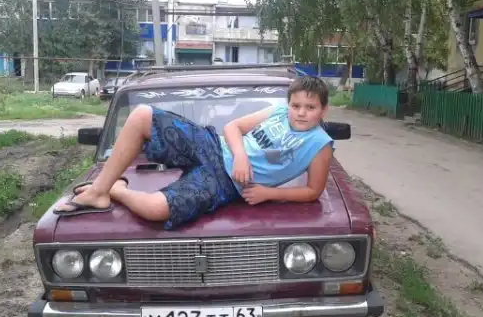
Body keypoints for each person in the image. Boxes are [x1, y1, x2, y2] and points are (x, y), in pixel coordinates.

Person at [54, 76, 334, 230]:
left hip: (226, 183)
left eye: (310, 108)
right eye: (296, 105)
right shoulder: (278, 112)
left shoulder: (320, 144)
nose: (301, 112)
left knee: (156, 210)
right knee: (141, 115)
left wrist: (268, 193)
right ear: (289, 104)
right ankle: (99, 191)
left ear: (323, 110)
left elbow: (313, 191)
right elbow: (233, 127)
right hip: (213, 145)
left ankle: (117, 190)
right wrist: (240, 155)